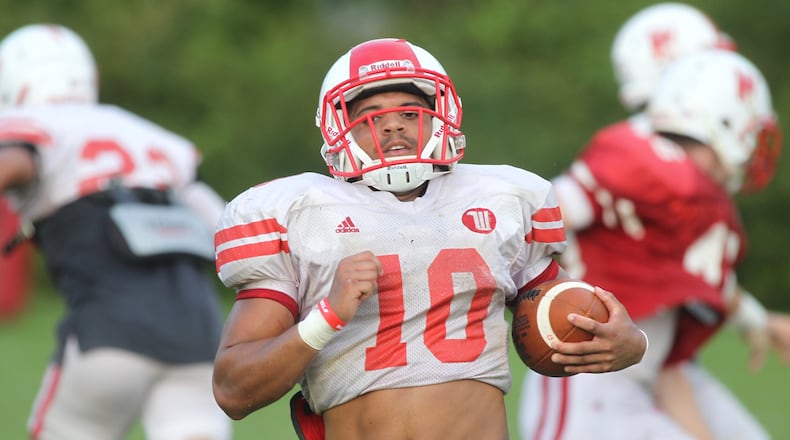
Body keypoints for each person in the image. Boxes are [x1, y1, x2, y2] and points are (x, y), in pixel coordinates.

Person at [211, 37, 648, 440]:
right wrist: (328, 314)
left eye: (408, 111)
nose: (394, 126)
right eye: (371, 116)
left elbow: (565, 318)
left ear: (442, 114)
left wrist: (630, 345)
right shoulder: (300, 213)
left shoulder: (504, 199)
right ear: (338, 125)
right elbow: (233, 391)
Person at [518, 30, 789, 440]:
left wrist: (759, 322)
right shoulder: (646, 162)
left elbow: (673, 343)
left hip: (643, 376)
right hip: (588, 388)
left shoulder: (698, 198)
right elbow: (546, 211)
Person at [0, 23, 232, 440]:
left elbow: (17, 161)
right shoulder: (150, 137)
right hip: (199, 333)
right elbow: (229, 231)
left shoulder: (30, 123)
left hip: (107, 332)